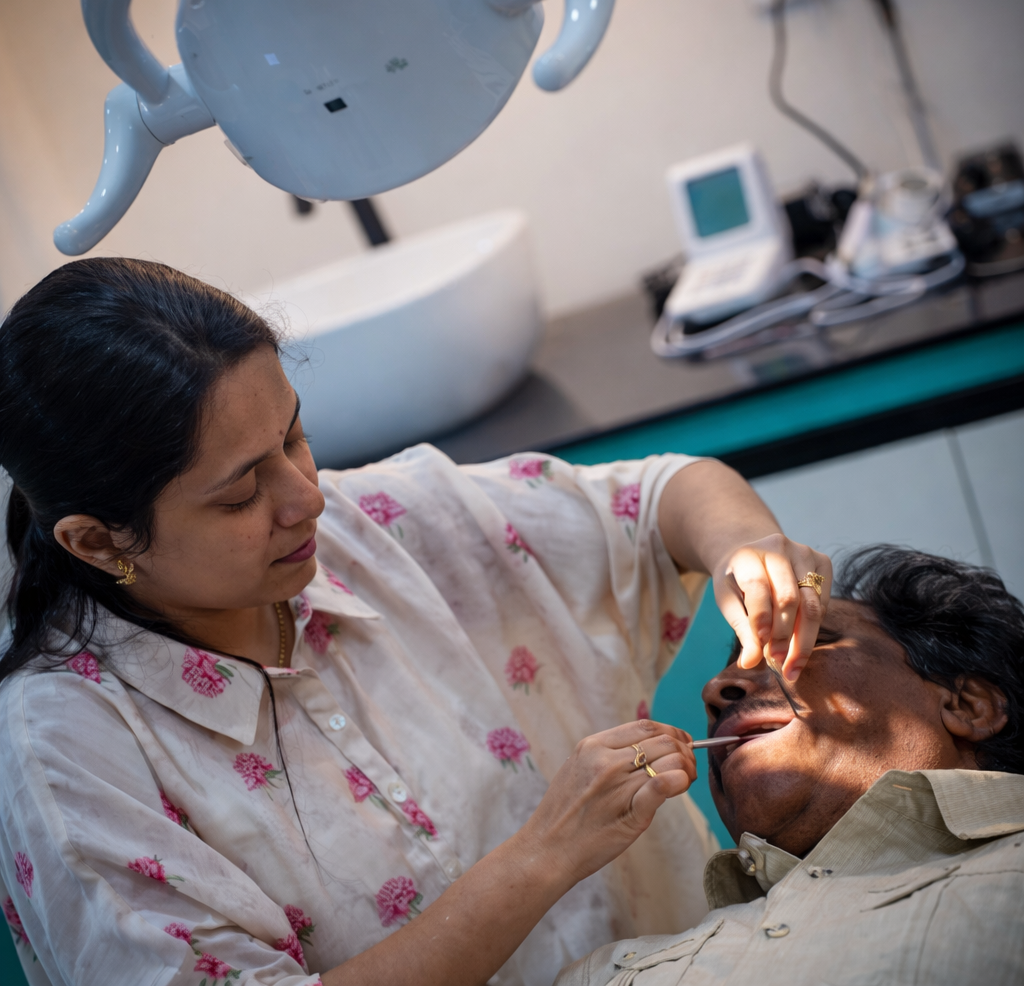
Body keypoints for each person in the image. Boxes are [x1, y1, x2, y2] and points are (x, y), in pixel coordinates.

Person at [0, 258, 831, 986]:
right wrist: (544, 855)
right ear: (100, 542)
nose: (307, 499)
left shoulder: (378, 524)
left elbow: (665, 495)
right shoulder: (69, 757)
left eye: (296, 437)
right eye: (240, 493)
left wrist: (743, 548)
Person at [555, 546, 1024, 986]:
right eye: (734, 663)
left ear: (968, 707)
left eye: (802, 643)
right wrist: (546, 851)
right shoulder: (609, 973)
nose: (717, 688)